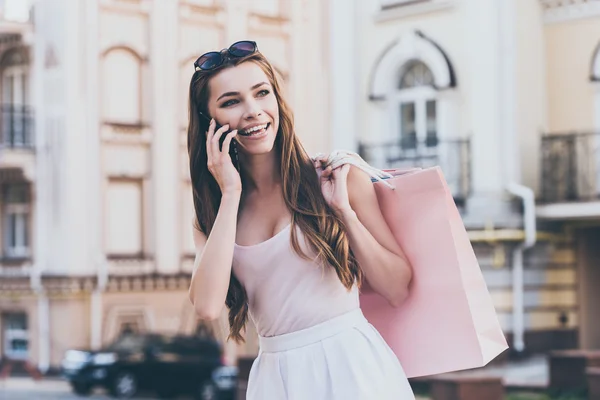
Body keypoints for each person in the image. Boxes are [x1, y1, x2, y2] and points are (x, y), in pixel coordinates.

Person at [187, 40, 415, 399]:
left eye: (262, 93)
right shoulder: (213, 214)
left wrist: (345, 213)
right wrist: (230, 194)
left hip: (354, 370)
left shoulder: (336, 177)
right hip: (276, 380)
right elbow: (207, 305)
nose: (252, 111)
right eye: (231, 102)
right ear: (209, 121)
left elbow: (397, 288)